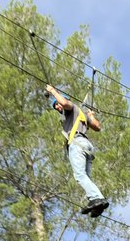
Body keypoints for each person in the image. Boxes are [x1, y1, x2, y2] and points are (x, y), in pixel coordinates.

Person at [45, 84, 109, 218]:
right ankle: (97, 201)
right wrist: (90, 115)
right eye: (55, 106)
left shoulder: (71, 107)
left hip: (77, 144)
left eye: (57, 104)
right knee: (86, 177)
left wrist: (52, 91)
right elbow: (97, 127)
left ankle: (97, 198)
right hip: (87, 146)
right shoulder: (82, 115)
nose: (58, 107)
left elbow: (64, 102)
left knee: (79, 175)